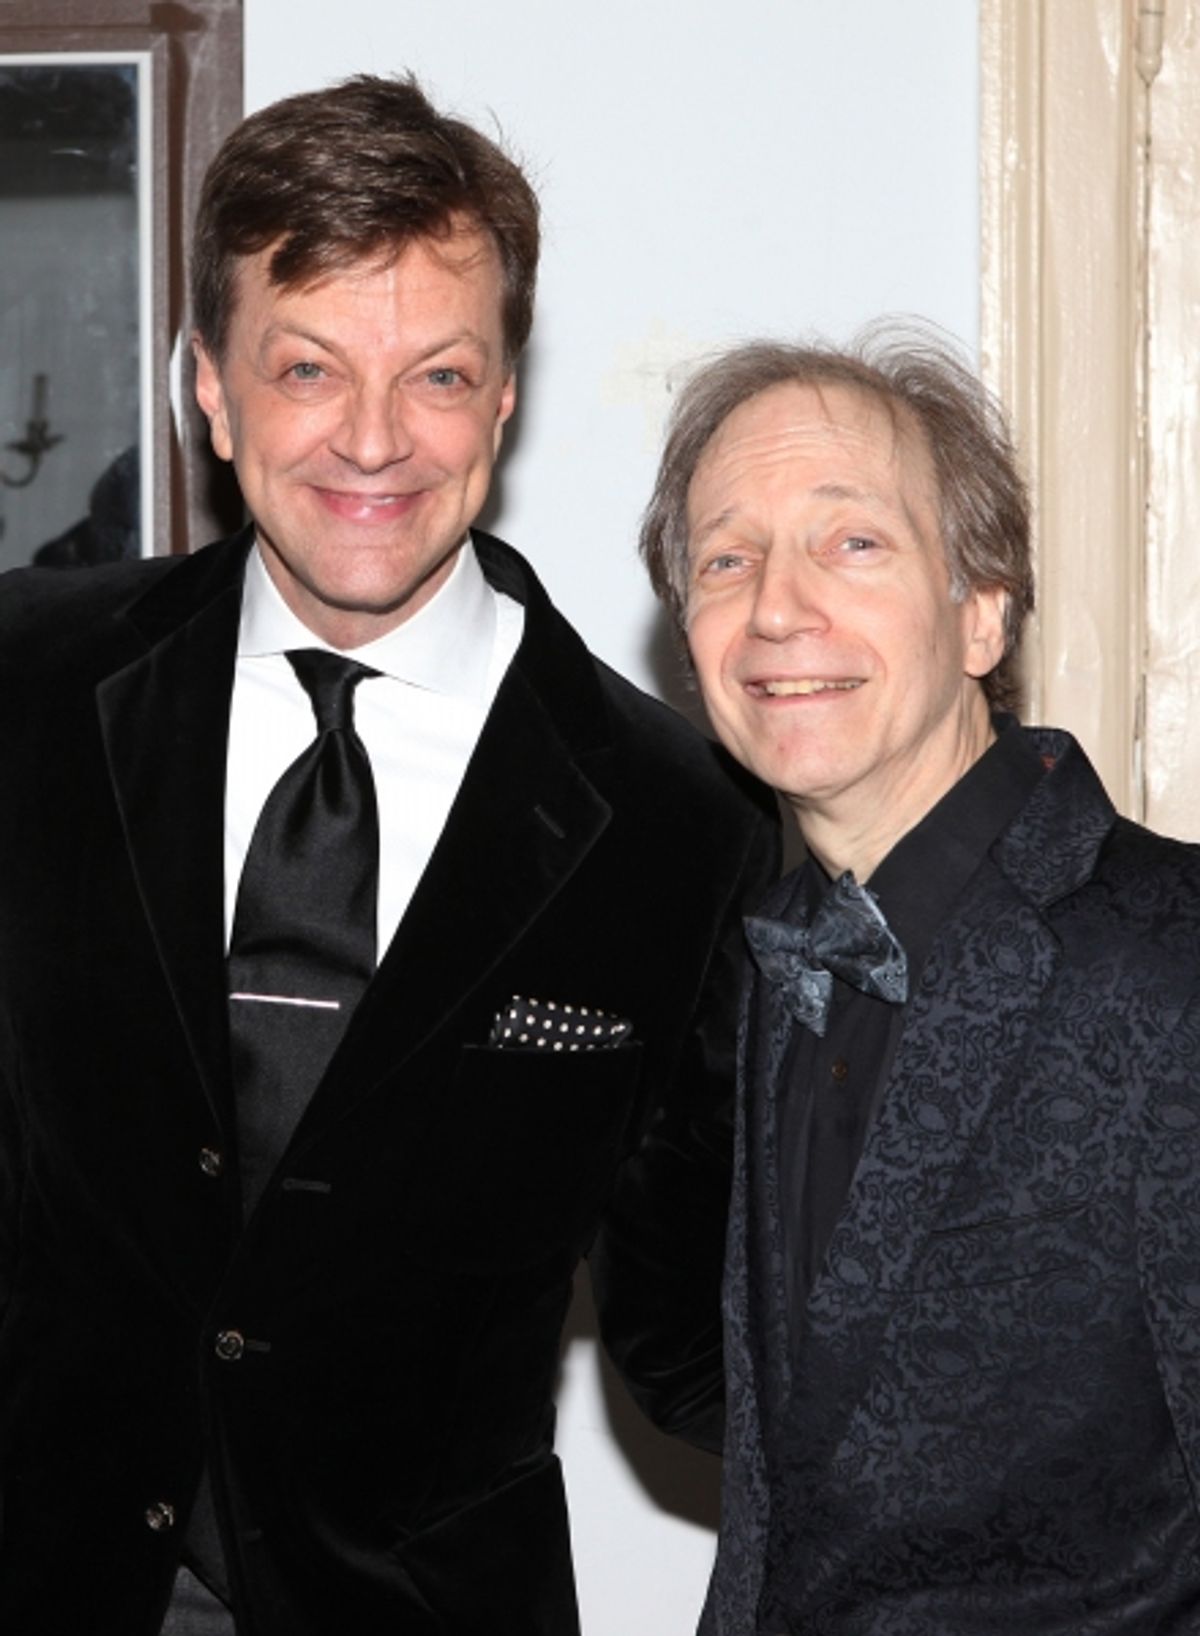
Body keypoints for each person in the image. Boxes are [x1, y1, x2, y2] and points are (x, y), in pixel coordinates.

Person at [0, 75, 778, 1636]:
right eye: (306, 368)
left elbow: (709, 1337)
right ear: (208, 387)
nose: (371, 440)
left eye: (435, 375)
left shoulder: (681, 821)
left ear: (503, 398)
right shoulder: (23, 689)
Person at [640, 330, 1200, 1633]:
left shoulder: (1170, 957)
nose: (777, 608)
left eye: (853, 544)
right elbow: (789, 1515)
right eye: (728, 559)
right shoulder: (772, 962)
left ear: (982, 609)